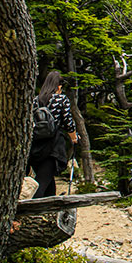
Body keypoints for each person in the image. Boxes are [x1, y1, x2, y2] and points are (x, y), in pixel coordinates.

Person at [28, 70, 78, 198]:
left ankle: (47, 210)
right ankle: (31, 210)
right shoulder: (61, 99)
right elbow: (68, 122)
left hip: (36, 145)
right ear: (59, 86)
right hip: (53, 145)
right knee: (41, 182)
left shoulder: (35, 100)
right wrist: (74, 138)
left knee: (46, 179)